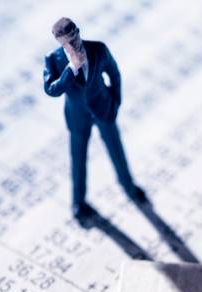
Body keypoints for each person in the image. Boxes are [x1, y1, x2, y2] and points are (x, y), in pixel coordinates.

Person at [43, 17, 147, 228]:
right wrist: (70, 69)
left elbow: (114, 73)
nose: (72, 45)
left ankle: (129, 187)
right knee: (78, 159)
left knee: (116, 149)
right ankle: (78, 203)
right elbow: (51, 89)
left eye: (73, 38)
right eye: (66, 43)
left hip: (103, 108)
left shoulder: (98, 49)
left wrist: (115, 100)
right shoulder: (54, 59)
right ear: (59, 43)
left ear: (78, 32)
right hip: (77, 116)